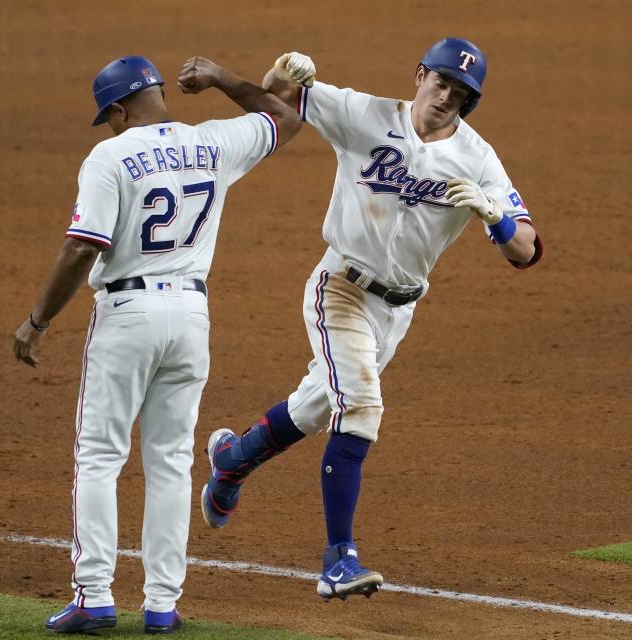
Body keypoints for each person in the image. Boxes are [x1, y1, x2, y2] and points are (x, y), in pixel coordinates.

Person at [200, 38, 543, 602]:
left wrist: (496, 217)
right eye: (440, 83)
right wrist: (284, 69)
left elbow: (526, 250)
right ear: (419, 75)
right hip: (341, 288)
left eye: (460, 94)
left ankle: (232, 461)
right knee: (360, 406)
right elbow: (274, 98)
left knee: (318, 407)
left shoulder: (478, 159)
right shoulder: (365, 116)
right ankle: (338, 560)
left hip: (398, 311)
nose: (446, 97)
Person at [13, 54, 300, 634]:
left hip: (127, 313)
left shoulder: (110, 155)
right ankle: (162, 605)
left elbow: (80, 248)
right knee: (170, 462)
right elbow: (283, 116)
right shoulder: (213, 142)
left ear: (118, 110)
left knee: (99, 457)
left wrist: (38, 321)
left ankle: (94, 596)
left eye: (110, 116)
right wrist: (220, 79)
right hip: (192, 315)